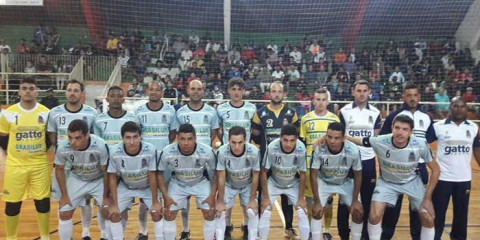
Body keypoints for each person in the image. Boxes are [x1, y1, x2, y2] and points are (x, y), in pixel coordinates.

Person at [345, 115, 439, 240]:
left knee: (428, 218)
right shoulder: (381, 141)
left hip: (412, 182)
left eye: (405, 129)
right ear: (392, 128)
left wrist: (428, 198)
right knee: (374, 217)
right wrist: (339, 137)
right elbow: (358, 141)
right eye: (397, 128)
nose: (400, 132)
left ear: (411, 132)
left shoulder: (420, 144)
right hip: (387, 183)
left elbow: (436, 170)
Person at [380, 82, 436, 240]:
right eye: (409, 95)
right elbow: (383, 138)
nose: (412, 98)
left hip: (418, 170)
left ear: (419, 97)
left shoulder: (426, 118)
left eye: (415, 95)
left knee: (417, 211)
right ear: (403, 97)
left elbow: (430, 138)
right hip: (396, 170)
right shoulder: (393, 117)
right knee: (391, 211)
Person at [47, 79, 100, 240]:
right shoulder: (55, 112)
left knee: (85, 200)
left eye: (76, 90)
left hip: (84, 164)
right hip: (63, 165)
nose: (72, 93)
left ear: (81, 94)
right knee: (63, 201)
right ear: (65, 92)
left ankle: (85, 231)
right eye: (69, 90)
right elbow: (52, 135)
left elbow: (95, 137)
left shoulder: (91, 113)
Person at [0, 78, 51, 240]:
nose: (28, 91)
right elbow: (2, 137)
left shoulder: (45, 112)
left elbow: (49, 138)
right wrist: (14, 153)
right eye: (24, 88)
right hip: (16, 165)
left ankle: (45, 236)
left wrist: (38, 151)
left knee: (42, 202)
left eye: (31, 88)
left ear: (36, 91)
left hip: (39, 164)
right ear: (19, 92)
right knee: (13, 203)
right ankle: (11, 237)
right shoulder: (8, 113)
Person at [251, 81, 300, 239]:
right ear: (269, 93)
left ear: (284, 94)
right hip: (267, 161)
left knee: (287, 195)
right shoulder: (260, 114)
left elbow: (296, 137)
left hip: (288, 161)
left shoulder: (291, 114)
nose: (277, 94)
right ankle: (259, 228)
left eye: (279, 91)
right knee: (262, 194)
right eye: (274, 91)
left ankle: (289, 227)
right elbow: (255, 137)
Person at [175, 79, 219, 239]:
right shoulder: (180, 112)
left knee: (208, 198)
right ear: (188, 90)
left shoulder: (211, 112)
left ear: (203, 91)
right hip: (185, 159)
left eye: (199, 89)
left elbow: (213, 133)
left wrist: (203, 148)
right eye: (193, 88)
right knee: (184, 196)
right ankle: (186, 230)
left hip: (205, 161)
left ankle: (211, 232)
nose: (195, 91)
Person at [337, 80, 381, 240]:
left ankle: (364, 236)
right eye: (359, 90)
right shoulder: (344, 111)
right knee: (345, 201)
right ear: (353, 91)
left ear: (369, 92)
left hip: (368, 161)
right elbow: (340, 136)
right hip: (347, 161)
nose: (362, 93)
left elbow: (374, 139)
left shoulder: (375, 112)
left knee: (368, 200)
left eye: (365, 90)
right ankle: (344, 234)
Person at [157, 123, 217, 240]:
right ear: (177, 138)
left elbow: (217, 174)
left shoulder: (206, 151)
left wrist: (213, 195)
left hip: (200, 182)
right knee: (169, 214)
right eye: (182, 139)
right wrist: (165, 196)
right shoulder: (168, 151)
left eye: (190, 139)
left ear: (195, 139)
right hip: (178, 182)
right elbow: (159, 174)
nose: (186, 143)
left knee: (209, 213)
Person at [432, 97, 480, 240]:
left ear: (466, 108)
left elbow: (477, 149)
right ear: (450, 107)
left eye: (462, 106)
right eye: (455, 106)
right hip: (442, 179)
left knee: (461, 215)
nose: (459, 109)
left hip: (464, 179)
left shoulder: (473, 128)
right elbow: (423, 145)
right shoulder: (438, 126)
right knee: (438, 214)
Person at [134, 80, 177, 238]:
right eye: (151, 89)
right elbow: (136, 135)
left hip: (164, 161)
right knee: (145, 200)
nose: (154, 92)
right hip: (145, 161)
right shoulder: (139, 111)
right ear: (147, 91)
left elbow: (172, 134)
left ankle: (165, 230)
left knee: (166, 196)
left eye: (157, 90)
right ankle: (142, 231)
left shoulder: (170, 110)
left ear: (162, 93)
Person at [106, 121, 164, 240]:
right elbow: (112, 176)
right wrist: (114, 203)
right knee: (114, 214)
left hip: (146, 186)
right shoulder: (114, 151)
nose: (132, 142)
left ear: (140, 136)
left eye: (135, 137)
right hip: (126, 186)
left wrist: (155, 201)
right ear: (122, 138)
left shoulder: (150, 149)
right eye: (128, 138)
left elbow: (152, 174)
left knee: (157, 213)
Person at [216, 77, 257, 239]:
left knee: (245, 197)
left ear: (243, 91)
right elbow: (217, 129)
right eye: (233, 89)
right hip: (228, 155)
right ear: (228, 91)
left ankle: (246, 225)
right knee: (227, 193)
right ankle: (227, 225)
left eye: (239, 89)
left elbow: (255, 130)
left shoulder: (252, 108)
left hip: (245, 154)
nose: (236, 92)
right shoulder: (221, 109)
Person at [54, 120, 109, 240]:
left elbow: (106, 172)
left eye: (77, 138)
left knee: (109, 210)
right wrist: (63, 195)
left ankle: (106, 235)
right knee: (64, 212)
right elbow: (59, 169)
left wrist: (105, 197)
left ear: (87, 135)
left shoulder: (100, 146)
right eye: (70, 137)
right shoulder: (63, 147)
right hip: (77, 178)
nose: (72, 142)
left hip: (98, 179)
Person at [310, 122, 363, 240]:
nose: (332, 141)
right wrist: (317, 201)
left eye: (337, 138)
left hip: (345, 181)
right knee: (316, 211)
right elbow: (313, 174)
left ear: (344, 138)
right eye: (329, 137)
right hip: (324, 181)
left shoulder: (353, 150)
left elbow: (358, 174)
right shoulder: (319, 149)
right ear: (325, 136)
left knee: (358, 212)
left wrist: (355, 200)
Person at [299, 88, 339, 240]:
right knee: (311, 200)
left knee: (328, 201)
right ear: (313, 101)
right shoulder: (306, 119)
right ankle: (311, 231)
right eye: (317, 99)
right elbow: (302, 144)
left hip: (329, 166)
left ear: (327, 102)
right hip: (310, 164)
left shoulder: (334, 119)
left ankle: (327, 230)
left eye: (323, 99)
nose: (320, 102)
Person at [258, 124, 310, 240]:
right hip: (274, 182)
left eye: (292, 141)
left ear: (296, 139)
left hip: (292, 183)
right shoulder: (272, 147)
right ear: (280, 138)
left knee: (302, 211)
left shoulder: (301, 148)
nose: (288, 144)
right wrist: (266, 197)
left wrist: (301, 198)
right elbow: (263, 172)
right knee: (265, 210)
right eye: (285, 140)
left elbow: (302, 174)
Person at [215, 126, 261, 240]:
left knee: (251, 211)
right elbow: (221, 176)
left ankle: (249, 232)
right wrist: (220, 201)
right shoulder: (222, 152)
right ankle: (224, 231)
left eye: (240, 142)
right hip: (229, 184)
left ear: (245, 140)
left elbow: (256, 175)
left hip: (247, 184)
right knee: (221, 212)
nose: (236, 146)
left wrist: (252, 200)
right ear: (228, 140)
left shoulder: (254, 152)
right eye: (233, 142)